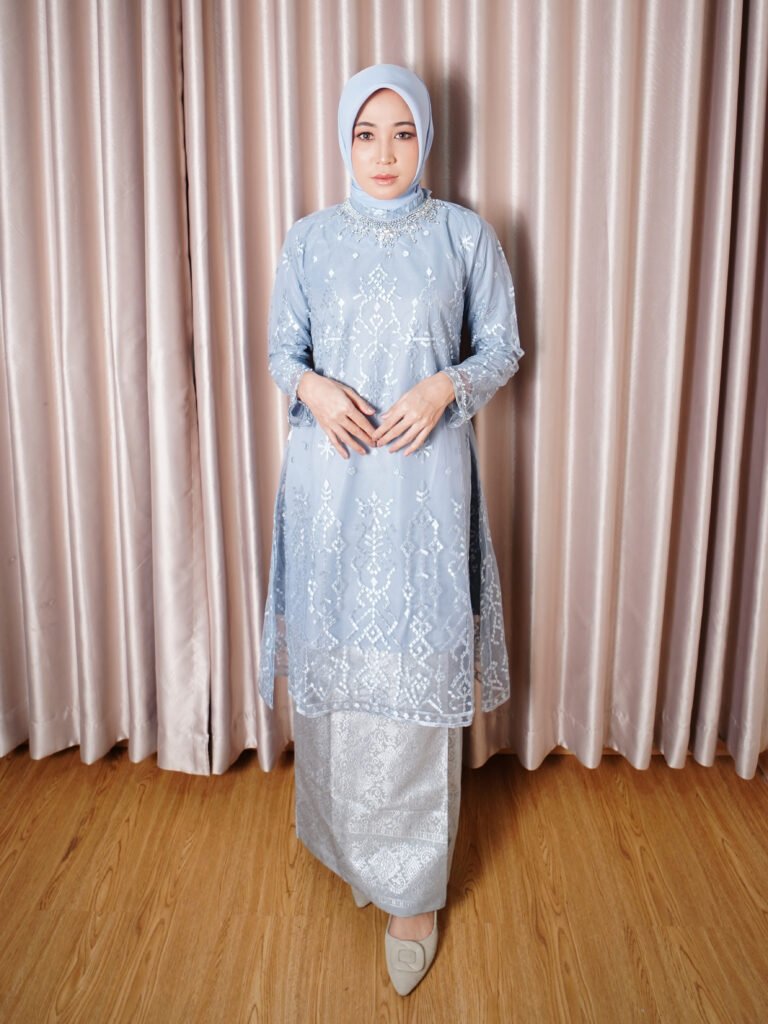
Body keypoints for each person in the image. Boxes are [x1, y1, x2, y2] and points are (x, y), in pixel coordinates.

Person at [258, 63, 523, 996]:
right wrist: (313, 386)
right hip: (329, 487)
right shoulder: (309, 239)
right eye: (366, 133)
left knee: (415, 669)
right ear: (345, 139)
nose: (384, 152)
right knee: (339, 663)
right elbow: (281, 350)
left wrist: (445, 385)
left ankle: (413, 889)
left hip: (422, 490)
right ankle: (340, 837)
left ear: (426, 140)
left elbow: (503, 346)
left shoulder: (463, 235)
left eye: (402, 132)